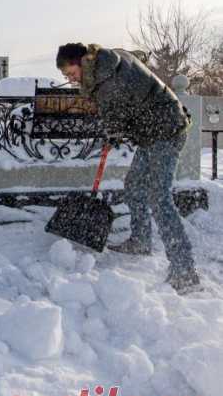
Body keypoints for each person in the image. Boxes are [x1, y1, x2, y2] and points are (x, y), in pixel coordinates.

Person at [56, 43, 199, 294]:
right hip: (151, 132)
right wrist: (115, 129)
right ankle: (141, 240)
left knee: (159, 197)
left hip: (166, 130)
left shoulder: (108, 78)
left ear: (82, 61)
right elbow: (124, 106)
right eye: (66, 76)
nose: (70, 79)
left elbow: (119, 109)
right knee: (133, 187)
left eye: (71, 73)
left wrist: (113, 129)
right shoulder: (107, 63)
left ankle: (184, 270)